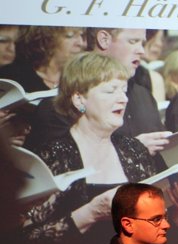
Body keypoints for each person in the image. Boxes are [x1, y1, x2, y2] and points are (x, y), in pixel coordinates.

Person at [19, 52, 178, 244]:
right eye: (111, 91)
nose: (123, 99)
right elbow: (27, 241)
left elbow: (157, 239)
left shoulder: (134, 151)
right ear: (79, 99)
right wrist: (91, 213)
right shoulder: (54, 155)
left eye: (123, 90)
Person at [26, 28, 169, 156]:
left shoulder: (143, 95)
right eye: (133, 41)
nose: (141, 51)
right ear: (104, 40)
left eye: (142, 43)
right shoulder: (58, 107)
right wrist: (132, 149)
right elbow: (60, 166)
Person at [0, 25, 86, 91]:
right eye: (70, 36)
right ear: (47, 40)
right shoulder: (13, 77)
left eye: (82, 36)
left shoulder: (83, 78)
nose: (81, 43)